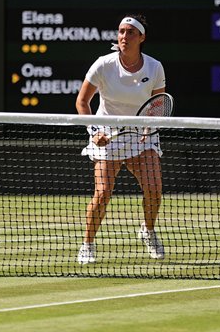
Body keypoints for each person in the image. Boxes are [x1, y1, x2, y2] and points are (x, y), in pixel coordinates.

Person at [76, 15, 166, 264]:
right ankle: (88, 244)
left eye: (130, 32)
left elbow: (158, 104)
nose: (124, 37)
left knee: (154, 190)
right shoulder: (103, 65)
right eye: (121, 32)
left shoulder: (154, 67)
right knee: (103, 193)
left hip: (142, 136)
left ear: (141, 38)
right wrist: (95, 132)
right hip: (108, 134)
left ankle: (148, 231)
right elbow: (82, 102)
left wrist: (151, 127)